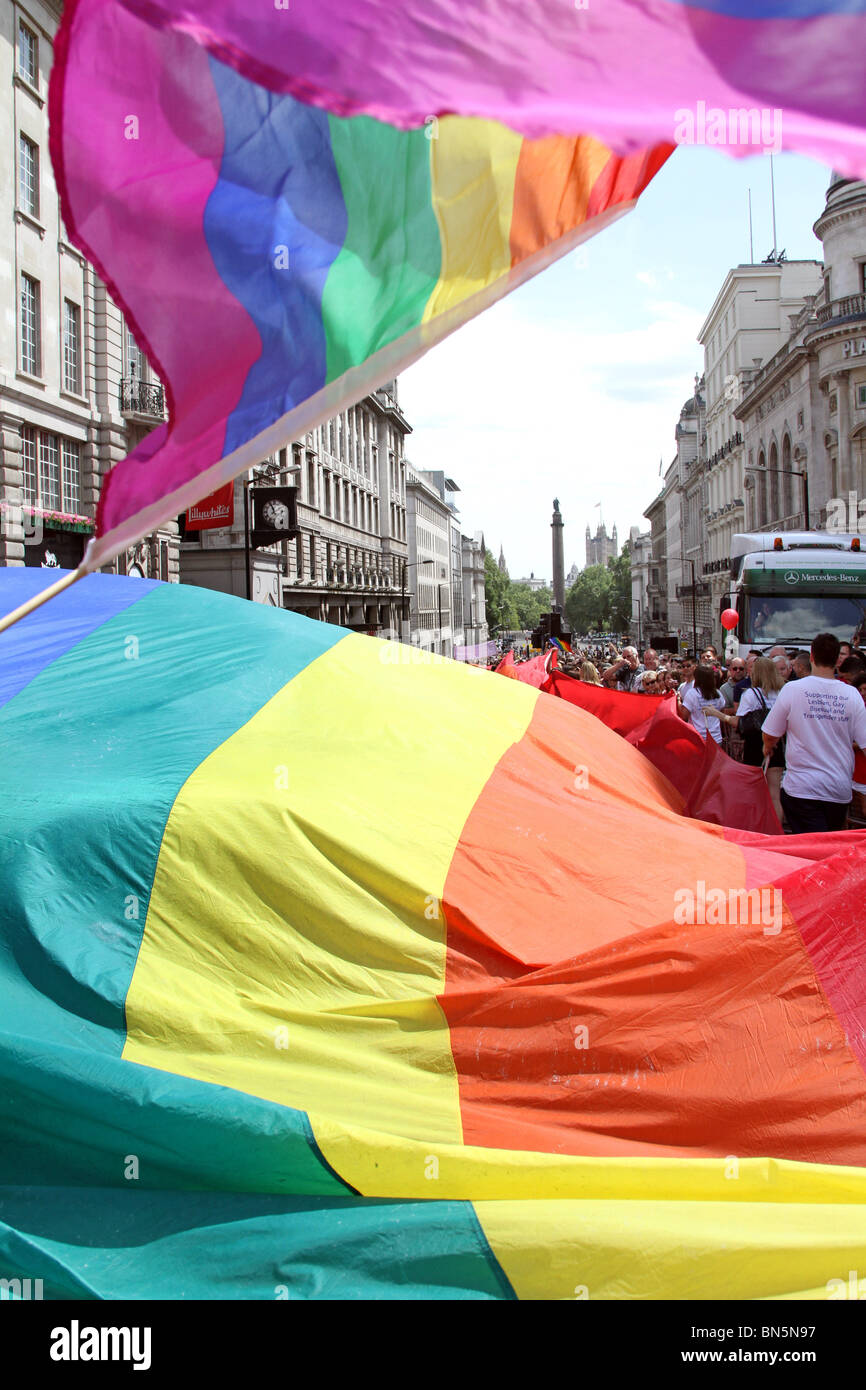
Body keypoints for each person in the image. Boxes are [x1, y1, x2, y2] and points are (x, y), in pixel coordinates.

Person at [762, 632, 866, 833]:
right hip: (838, 788)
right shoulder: (852, 694)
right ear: (837, 659)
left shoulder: (793, 689)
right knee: (827, 844)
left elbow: (769, 732)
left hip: (802, 788)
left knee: (810, 848)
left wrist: (768, 746)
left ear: (811, 656)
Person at [714, 656, 786, 822]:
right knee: (774, 793)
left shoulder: (751, 694)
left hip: (755, 745)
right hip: (777, 744)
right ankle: (777, 830)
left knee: (754, 792)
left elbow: (738, 722)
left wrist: (718, 714)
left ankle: (758, 827)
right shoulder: (781, 692)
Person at [683, 665, 725, 743]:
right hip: (716, 738)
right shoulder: (718, 693)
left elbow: (684, 715)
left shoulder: (692, 693)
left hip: (698, 739)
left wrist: (678, 702)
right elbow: (722, 712)